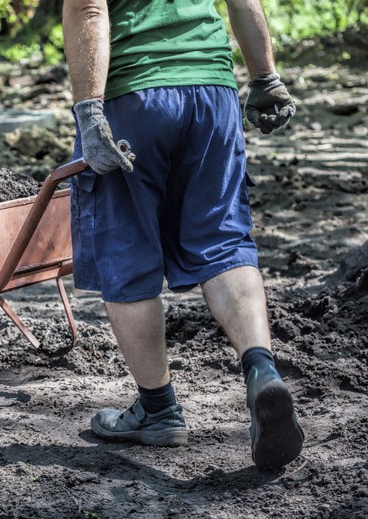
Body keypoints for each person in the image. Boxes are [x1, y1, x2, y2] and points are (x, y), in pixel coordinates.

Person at [61, 0, 304, 470]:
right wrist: (265, 78)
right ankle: (260, 368)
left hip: (135, 95)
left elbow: (89, 7)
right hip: (212, 92)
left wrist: (89, 112)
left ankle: (157, 410)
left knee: (125, 248)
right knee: (224, 241)